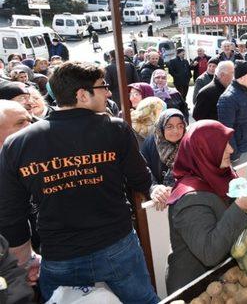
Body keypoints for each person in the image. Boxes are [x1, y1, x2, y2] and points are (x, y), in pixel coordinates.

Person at [0, 61, 157, 303]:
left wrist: (25, 259)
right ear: (83, 95)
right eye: (103, 86)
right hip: (116, 246)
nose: (109, 92)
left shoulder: (18, 144)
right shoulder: (114, 128)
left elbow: (12, 214)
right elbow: (140, 178)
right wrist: (153, 187)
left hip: (60, 255)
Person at [165, 120, 247, 293]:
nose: (231, 150)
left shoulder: (220, 175)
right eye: (223, 145)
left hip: (219, 280)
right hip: (194, 288)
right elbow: (209, 253)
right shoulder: (189, 199)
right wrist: (240, 208)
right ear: (204, 151)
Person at [142, 109, 187, 210]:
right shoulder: (150, 144)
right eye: (169, 126)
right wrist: (154, 188)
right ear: (161, 128)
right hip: (157, 205)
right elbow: (142, 170)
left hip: (184, 201)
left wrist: (178, 188)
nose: (176, 131)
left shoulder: (189, 144)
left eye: (180, 126)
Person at [217, 60, 247, 163]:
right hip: (242, 153)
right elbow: (226, 130)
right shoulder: (228, 98)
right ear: (241, 77)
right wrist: (235, 156)